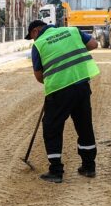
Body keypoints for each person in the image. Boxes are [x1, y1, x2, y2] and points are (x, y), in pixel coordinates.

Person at [27, 19, 100, 183]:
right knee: (84, 126)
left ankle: (56, 171)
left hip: (59, 90)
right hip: (81, 85)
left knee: (52, 127)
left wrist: (54, 76)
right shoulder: (72, 31)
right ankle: (89, 167)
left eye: (31, 36)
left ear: (35, 32)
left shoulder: (39, 44)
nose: (33, 39)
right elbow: (94, 44)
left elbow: (39, 76)